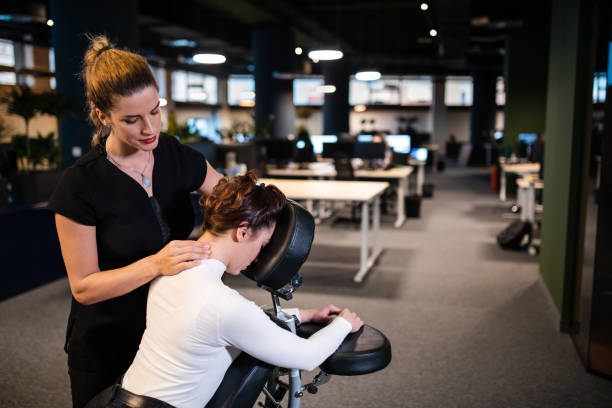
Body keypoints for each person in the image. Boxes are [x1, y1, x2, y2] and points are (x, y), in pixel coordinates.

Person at [48, 35, 223, 407]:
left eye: (155, 111)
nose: (149, 129)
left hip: (170, 331)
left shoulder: (175, 154)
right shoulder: (80, 185)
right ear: (102, 116)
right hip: (107, 339)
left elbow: (229, 200)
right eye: (132, 119)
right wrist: (156, 264)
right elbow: (84, 287)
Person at [101, 171, 363, 408]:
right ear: (243, 232)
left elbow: (210, 322)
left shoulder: (171, 266)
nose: (260, 258)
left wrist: (303, 315)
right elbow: (306, 357)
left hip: (122, 396)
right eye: (263, 245)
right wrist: (343, 323)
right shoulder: (223, 305)